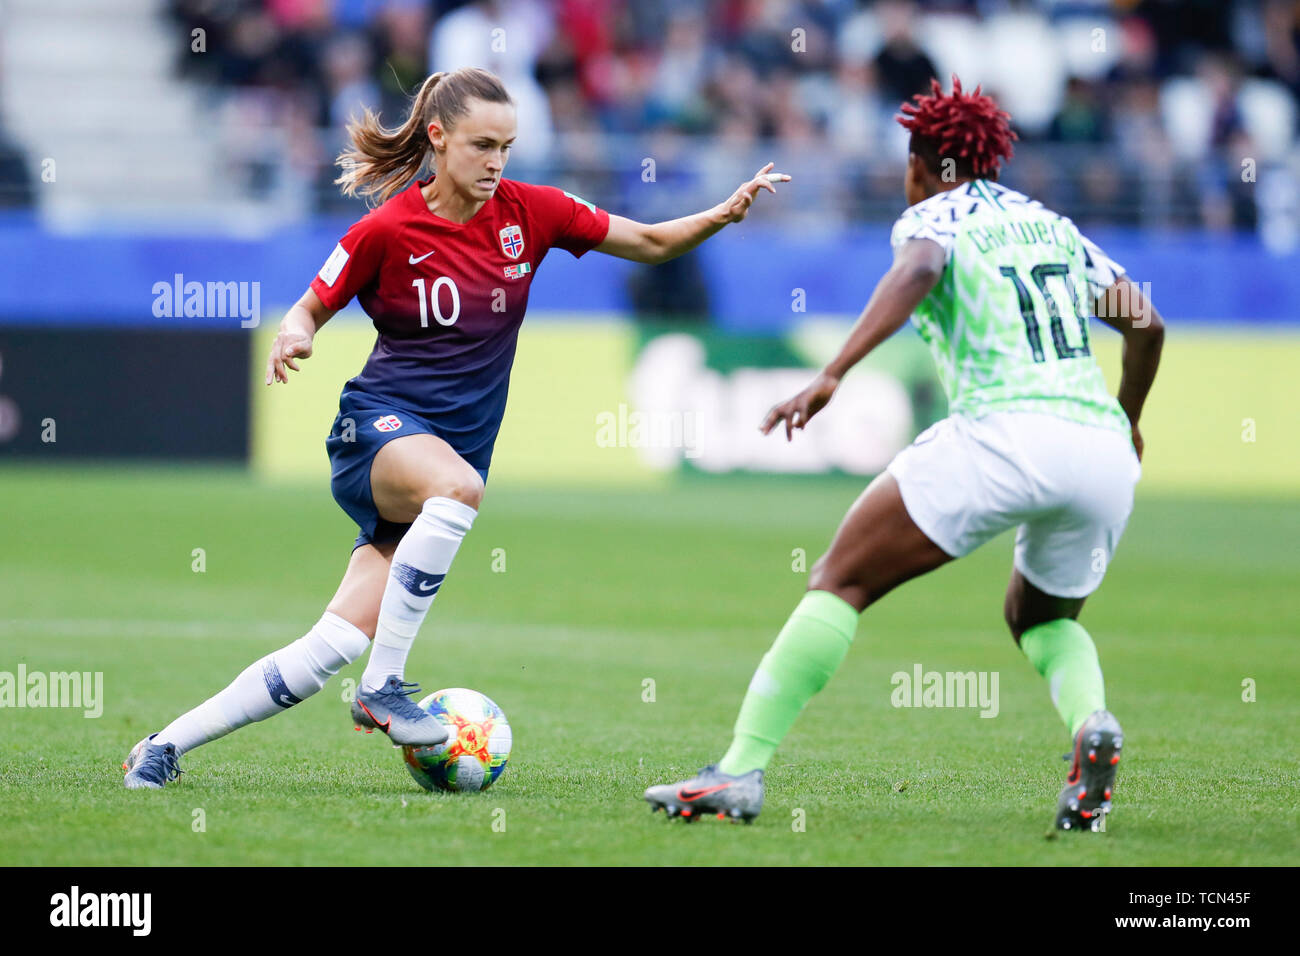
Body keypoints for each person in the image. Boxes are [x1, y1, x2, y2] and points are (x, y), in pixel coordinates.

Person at [123, 66, 789, 789]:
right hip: (374, 434)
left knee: (329, 646)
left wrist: (719, 215)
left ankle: (162, 747)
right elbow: (310, 304)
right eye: (481, 145)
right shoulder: (384, 230)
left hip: (441, 462)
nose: (497, 162)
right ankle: (386, 687)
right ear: (438, 138)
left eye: (507, 146)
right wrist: (295, 334)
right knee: (459, 489)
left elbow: (653, 242)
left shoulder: (533, 212)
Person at [645, 77, 1164, 831]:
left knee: (839, 579)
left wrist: (832, 371)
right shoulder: (1053, 225)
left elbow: (919, 270)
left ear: (921, 161)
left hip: (1005, 432)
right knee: (1041, 616)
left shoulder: (933, 215)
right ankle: (1092, 725)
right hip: (1100, 451)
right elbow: (1147, 325)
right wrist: (1129, 419)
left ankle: (738, 771)